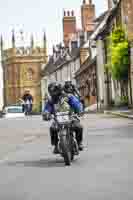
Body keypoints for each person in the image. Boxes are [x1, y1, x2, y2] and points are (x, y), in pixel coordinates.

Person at [43, 82, 83, 154]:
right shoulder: (51, 101)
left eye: (54, 91)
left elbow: (76, 103)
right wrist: (46, 114)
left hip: (71, 117)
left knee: (79, 127)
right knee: (52, 128)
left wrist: (79, 110)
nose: (53, 93)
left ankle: (79, 142)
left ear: (59, 90)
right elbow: (47, 109)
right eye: (51, 92)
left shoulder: (69, 97)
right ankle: (55, 145)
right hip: (57, 119)